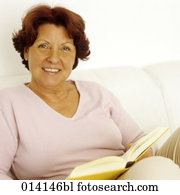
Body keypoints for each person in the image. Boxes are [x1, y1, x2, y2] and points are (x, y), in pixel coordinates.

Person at [0, 4, 179, 180]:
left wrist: (143, 153)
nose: (54, 58)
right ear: (26, 52)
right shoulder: (8, 102)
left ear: (74, 57)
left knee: (158, 167)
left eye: (65, 48)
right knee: (160, 170)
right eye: (44, 46)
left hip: (126, 179)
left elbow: (141, 141)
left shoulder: (96, 92)